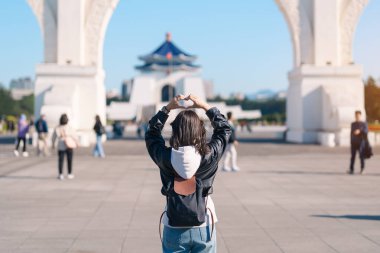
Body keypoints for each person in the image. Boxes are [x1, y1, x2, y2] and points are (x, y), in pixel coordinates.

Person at [145, 94, 231, 253]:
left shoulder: (165, 157)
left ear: (175, 130)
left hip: (174, 224)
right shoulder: (209, 155)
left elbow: (151, 133)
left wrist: (167, 109)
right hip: (204, 224)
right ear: (200, 130)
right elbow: (224, 129)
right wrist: (205, 106)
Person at [52, 114, 78, 180]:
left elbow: (53, 137)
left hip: (61, 144)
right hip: (69, 144)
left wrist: (53, 144)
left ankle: (60, 174)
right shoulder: (69, 127)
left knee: (61, 160)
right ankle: (69, 173)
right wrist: (77, 142)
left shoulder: (57, 127)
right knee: (69, 160)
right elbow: (74, 136)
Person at [348, 110, 368, 174]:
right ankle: (351, 169)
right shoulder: (353, 124)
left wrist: (360, 131)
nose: (357, 117)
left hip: (361, 142)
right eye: (356, 116)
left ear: (360, 116)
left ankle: (362, 169)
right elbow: (351, 133)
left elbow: (366, 131)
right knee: (352, 157)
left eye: (358, 116)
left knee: (361, 156)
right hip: (354, 142)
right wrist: (351, 141)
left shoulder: (363, 124)